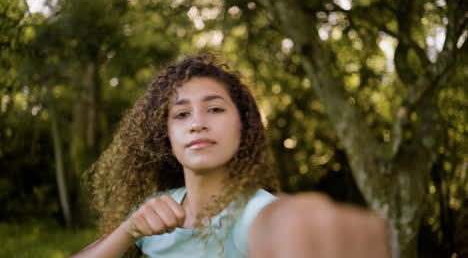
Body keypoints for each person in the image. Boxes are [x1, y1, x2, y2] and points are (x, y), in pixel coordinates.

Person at [70, 53, 388, 258]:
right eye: (181, 115)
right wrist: (129, 231)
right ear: (165, 136)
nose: (197, 123)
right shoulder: (153, 212)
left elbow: (282, 227)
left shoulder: (259, 211)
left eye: (215, 109)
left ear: (243, 125)